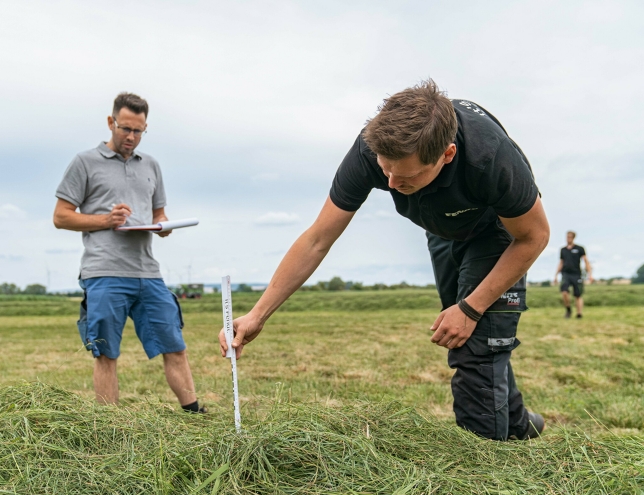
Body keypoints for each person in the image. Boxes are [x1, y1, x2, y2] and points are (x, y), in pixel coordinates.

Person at [219, 80, 550, 441]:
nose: (391, 184)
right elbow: (317, 240)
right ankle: (520, 425)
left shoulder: (490, 159)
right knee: (474, 337)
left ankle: (486, 465)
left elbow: (533, 236)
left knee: (474, 341)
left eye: (406, 177)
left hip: (499, 232)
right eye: (385, 170)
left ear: (448, 155)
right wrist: (257, 315)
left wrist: (470, 309)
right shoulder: (369, 149)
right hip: (442, 230)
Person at [53, 92, 204, 412]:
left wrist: (164, 225)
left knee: (174, 344)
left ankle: (194, 413)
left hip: (147, 272)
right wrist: (105, 220)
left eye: (139, 131)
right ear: (111, 123)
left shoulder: (151, 165)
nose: (132, 137)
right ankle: (110, 423)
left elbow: (159, 213)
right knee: (106, 352)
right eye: (125, 129)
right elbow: (61, 216)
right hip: (104, 272)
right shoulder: (84, 162)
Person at [553, 231, 592, 318]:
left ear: (573, 238)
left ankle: (579, 314)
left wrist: (590, 274)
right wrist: (556, 275)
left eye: (570, 237)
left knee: (578, 294)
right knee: (564, 292)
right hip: (565, 273)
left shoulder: (580, 248)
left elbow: (586, 261)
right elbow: (561, 262)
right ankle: (568, 309)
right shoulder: (563, 250)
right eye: (567, 237)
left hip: (576, 274)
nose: (568, 238)